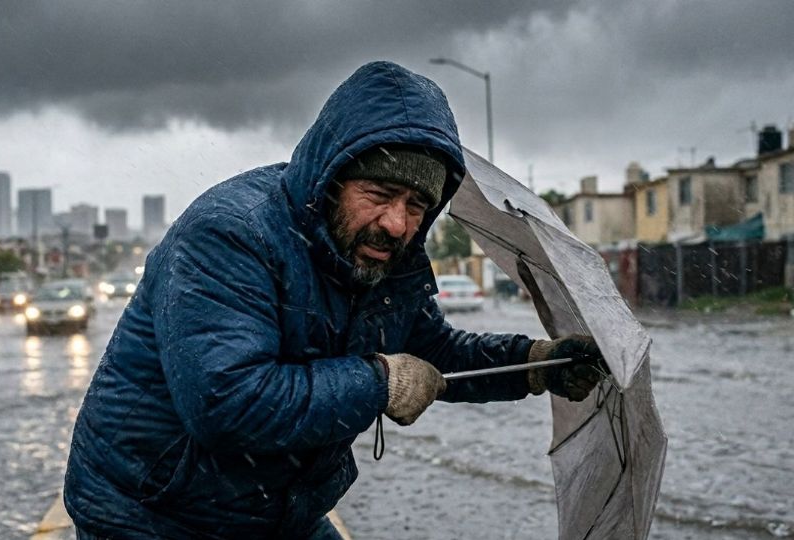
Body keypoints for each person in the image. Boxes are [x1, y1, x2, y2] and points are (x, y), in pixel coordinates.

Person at [64, 61, 606, 539]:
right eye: (378, 194)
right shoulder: (229, 234)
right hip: (152, 515)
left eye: (418, 204)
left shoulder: (384, 259)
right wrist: (379, 381)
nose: (397, 223)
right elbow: (225, 402)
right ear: (330, 180)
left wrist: (536, 363)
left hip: (275, 512)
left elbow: (434, 350)